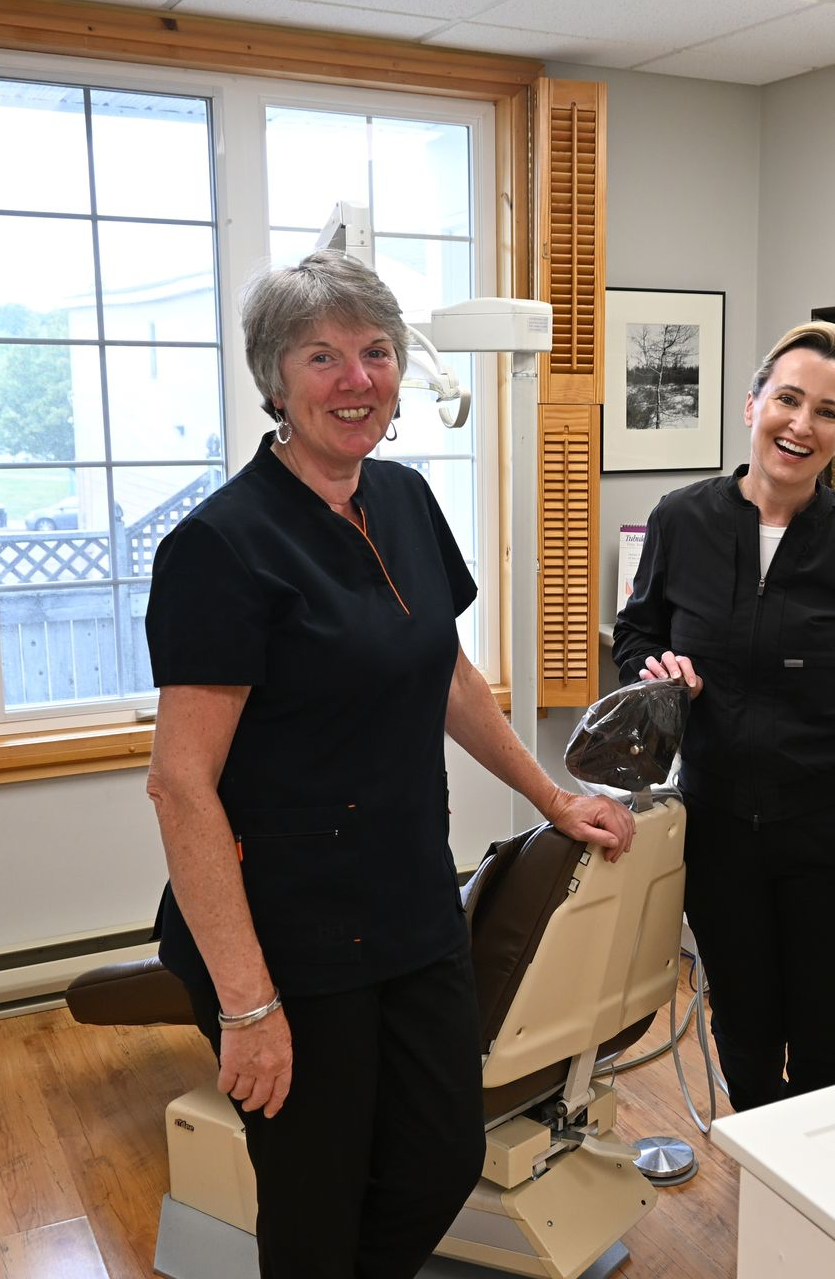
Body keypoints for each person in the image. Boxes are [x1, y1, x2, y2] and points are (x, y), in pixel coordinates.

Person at [144, 248, 635, 1279]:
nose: (356, 378)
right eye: (321, 356)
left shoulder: (405, 499)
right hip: (283, 925)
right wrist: (246, 1002)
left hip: (410, 897)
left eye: (376, 351)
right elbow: (180, 780)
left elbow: (444, 670)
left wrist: (553, 795)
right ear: (275, 381)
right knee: (318, 1192)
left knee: (437, 1154)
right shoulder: (221, 546)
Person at [612, 320, 835, 1110]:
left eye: (827, 411)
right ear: (752, 404)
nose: (801, 424)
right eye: (787, 400)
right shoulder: (680, 520)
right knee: (744, 1027)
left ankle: (818, 1206)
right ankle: (764, 1188)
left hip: (833, 834)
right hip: (719, 826)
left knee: (825, 1033)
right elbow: (636, 636)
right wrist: (656, 675)